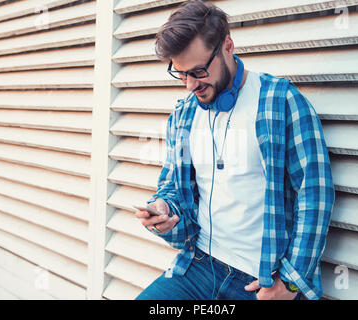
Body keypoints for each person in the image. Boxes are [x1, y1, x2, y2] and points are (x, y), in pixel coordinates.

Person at [134, 1, 335, 300]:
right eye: (182, 74)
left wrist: (291, 283)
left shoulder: (281, 102)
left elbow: (315, 194)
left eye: (199, 71)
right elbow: (174, 189)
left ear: (228, 45)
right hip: (198, 266)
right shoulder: (184, 114)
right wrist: (164, 211)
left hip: (260, 279)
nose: (191, 85)